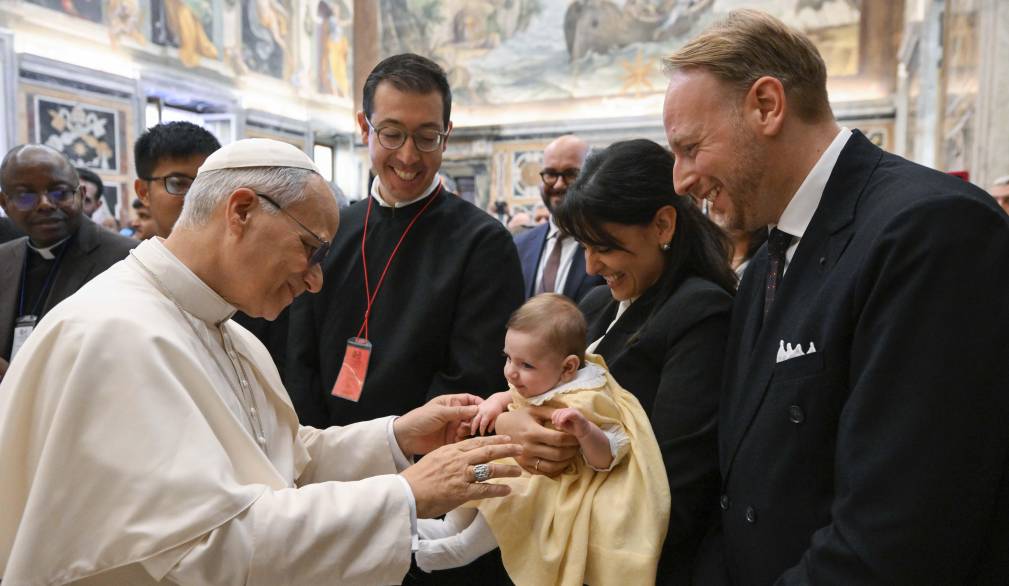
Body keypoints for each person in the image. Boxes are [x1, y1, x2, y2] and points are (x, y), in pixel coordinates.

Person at [0, 138, 523, 584]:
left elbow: (280, 461)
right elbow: (205, 547)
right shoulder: (115, 335)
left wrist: (397, 438)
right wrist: (405, 494)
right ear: (242, 211)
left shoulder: (226, 329)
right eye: (310, 249)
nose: (316, 279)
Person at [663, 10, 1009, 585]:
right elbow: (739, 484)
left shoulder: (930, 231)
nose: (679, 180)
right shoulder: (765, 266)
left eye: (691, 147)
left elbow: (898, 533)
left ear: (767, 106)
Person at [497, 139, 736, 584]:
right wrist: (514, 425)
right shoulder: (594, 303)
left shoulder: (700, 313)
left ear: (663, 225)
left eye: (604, 246)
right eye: (583, 246)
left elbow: (669, 479)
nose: (590, 266)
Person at [414, 293, 671, 585]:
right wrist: (493, 404)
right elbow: (510, 393)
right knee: (475, 477)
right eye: (508, 358)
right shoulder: (542, 379)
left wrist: (585, 431)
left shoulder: (588, 399)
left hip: (553, 483)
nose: (512, 371)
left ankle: (461, 548)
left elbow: (612, 453)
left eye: (526, 365)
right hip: (520, 462)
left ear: (568, 368)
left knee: (508, 497)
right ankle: (447, 528)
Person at [0, 144, 136, 382]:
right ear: (4, 204)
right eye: (25, 196)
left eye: (59, 193)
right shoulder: (3, 258)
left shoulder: (128, 258)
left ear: (81, 195)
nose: (44, 204)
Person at [514, 135, 604, 302]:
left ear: (592, 177)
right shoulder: (520, 246)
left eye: (571, 174)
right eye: (550, 174)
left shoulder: (606, 242)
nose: (558, 184)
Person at [133, 120, 221, 239]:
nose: (196, 197)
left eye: (207, 185)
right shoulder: (128, 257)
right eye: (178, 184)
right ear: (144, 192)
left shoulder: (243, 255)